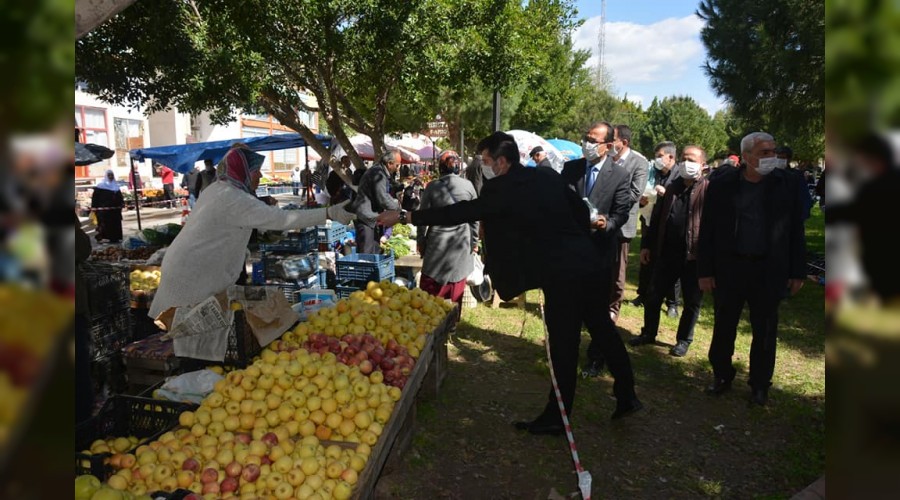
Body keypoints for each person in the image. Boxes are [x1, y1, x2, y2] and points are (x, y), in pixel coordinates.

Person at [378, 131, 641, 432]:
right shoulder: (546, 176)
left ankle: (557, 418)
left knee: (563, 345)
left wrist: (407, 217)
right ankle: (627, 395)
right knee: (602, 329)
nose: (484, 166)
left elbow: (462, 212)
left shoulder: (501, 188)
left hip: (562, 274)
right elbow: (581, 211)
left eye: (487, 161)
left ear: (502, 162)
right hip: (590, 263)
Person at [148, 146, 355, 321]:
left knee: (187, 329)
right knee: (188, 333)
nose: (261, 176)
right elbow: (281, 219)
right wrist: (328, 213)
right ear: (244, 171)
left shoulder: (217, 189)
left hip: (185, 267)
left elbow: (237, 224)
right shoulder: (234, 198)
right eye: (257, 171)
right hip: (193, 276)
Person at [698, 132, 806, 406]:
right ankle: (722, 375)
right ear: (746, 157)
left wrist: (797, 271)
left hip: (769, 270)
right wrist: (705, 270)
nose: (771, 157)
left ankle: (760, 384)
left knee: (766, 331)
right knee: (724, 326)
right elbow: (707, 228)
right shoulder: (723, 184)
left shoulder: (787, 184)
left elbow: (795, 230)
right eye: (763, 153)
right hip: (730, 267)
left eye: (773, 151)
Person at [560, 121, 633, 378]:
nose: (588, 144)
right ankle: (565, 355)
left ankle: (596, 358)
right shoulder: (571, 169)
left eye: (594, 141)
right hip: (570, 252)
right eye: (586, 138)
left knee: (598, 313)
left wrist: (606, 223)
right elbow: (560, 202)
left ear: (608, 145)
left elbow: (621, 213)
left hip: (599, 252)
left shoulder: (620, 175)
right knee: (568, 308)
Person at [630, 145, 710, 357]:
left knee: (692, 302)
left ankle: (684, 340)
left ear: (703, 165)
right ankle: (648, 333)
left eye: (692, 159)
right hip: (666, 253)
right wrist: (647, 244)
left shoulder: (709, 190)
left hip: (694, 256)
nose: (686, 163)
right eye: (684, 159)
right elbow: (656, 218)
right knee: (654, 295)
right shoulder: (672, 187)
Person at [416, 150, 478, 317]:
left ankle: (429, 320)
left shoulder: (433, 187)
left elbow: (422, 217)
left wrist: (421, 241)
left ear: (440, 167)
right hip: (461, 241)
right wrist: (474, 242)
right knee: (456, 285)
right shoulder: (468, 186)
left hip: (437, 243)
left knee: (432, 288)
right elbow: (475, 219)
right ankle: (452, 323)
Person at [633, 141, 681, 315]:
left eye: (660, 156)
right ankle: (643, 294)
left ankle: (672, 303)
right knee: (646, 258)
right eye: (656, 156)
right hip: (650, 221)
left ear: (671, 157)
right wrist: (643, 200)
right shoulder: (654, 172)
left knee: (671, 263)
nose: (657, 160)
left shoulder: (679, 176)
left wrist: (666, 194)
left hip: (670, 226)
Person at [609, 124, 649, 322]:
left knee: (618, 271)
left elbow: (635, 193)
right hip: (600, 224)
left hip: (621, 225)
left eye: (612, 139)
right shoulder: (607, 158)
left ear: (623, 142)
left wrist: (607, 199)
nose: (609, 143)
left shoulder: (639, 163)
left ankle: (612, 309)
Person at [349, 150, 402, 254]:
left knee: (375, 250)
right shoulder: (378, 173)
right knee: (367, 254)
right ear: (389, 163)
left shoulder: (380, 172)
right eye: (397, 165)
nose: (398, 168)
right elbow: (383, 199)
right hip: (365, 217)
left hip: (370, 217)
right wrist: (399, 209)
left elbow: (384, 196)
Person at [775, 145, 814, 220]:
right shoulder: (768, 174)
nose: (779, 160)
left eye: (782, 158)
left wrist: (801, 216)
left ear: (789, 159)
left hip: (792, 218)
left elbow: (805, 197)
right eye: (777, 158)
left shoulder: (796, 175)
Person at [91, 169, 124, 243]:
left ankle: (115, 238)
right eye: (109, 175)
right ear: (106, 176)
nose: (111, 176)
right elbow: (95, 197)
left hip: (115, 211)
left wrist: (121, 204)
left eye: (112, 175)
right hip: (104, 211)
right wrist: (94, 207)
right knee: (104, 225)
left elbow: (120, 197)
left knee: (115, 224)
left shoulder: (116, 186)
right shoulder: (100, 186)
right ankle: (102, 238)